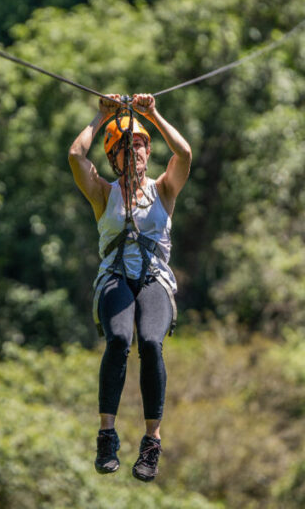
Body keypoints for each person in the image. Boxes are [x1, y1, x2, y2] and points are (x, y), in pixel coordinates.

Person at [68, 93, 192, 482]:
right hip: (115, 279)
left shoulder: (164, 190)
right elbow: (75, 157)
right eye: (126, 148)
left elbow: (184, 153)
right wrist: (101, 118)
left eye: (139, 146)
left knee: (151, 343)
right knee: (120, 339)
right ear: (113, 157)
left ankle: (152, 442)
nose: (135, 153)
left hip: (154, 280)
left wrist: (151, 115)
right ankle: (107, 434)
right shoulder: (103, 193)